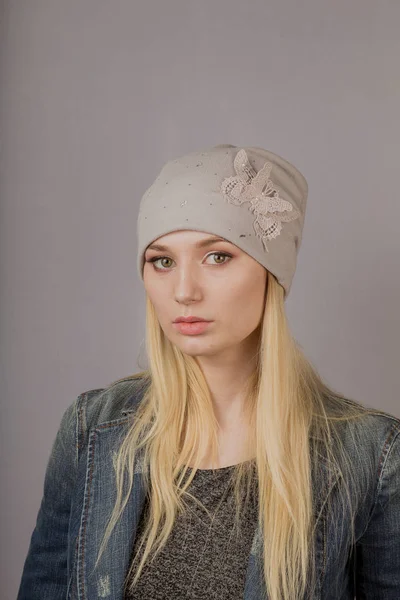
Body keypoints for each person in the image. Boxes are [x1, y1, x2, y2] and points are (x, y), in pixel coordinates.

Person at [17, 144, 400, 600]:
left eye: (217, 256)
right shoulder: (91, 427)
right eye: (162, 261)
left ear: (272, 273)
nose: (183, 291)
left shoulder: (372, 455)